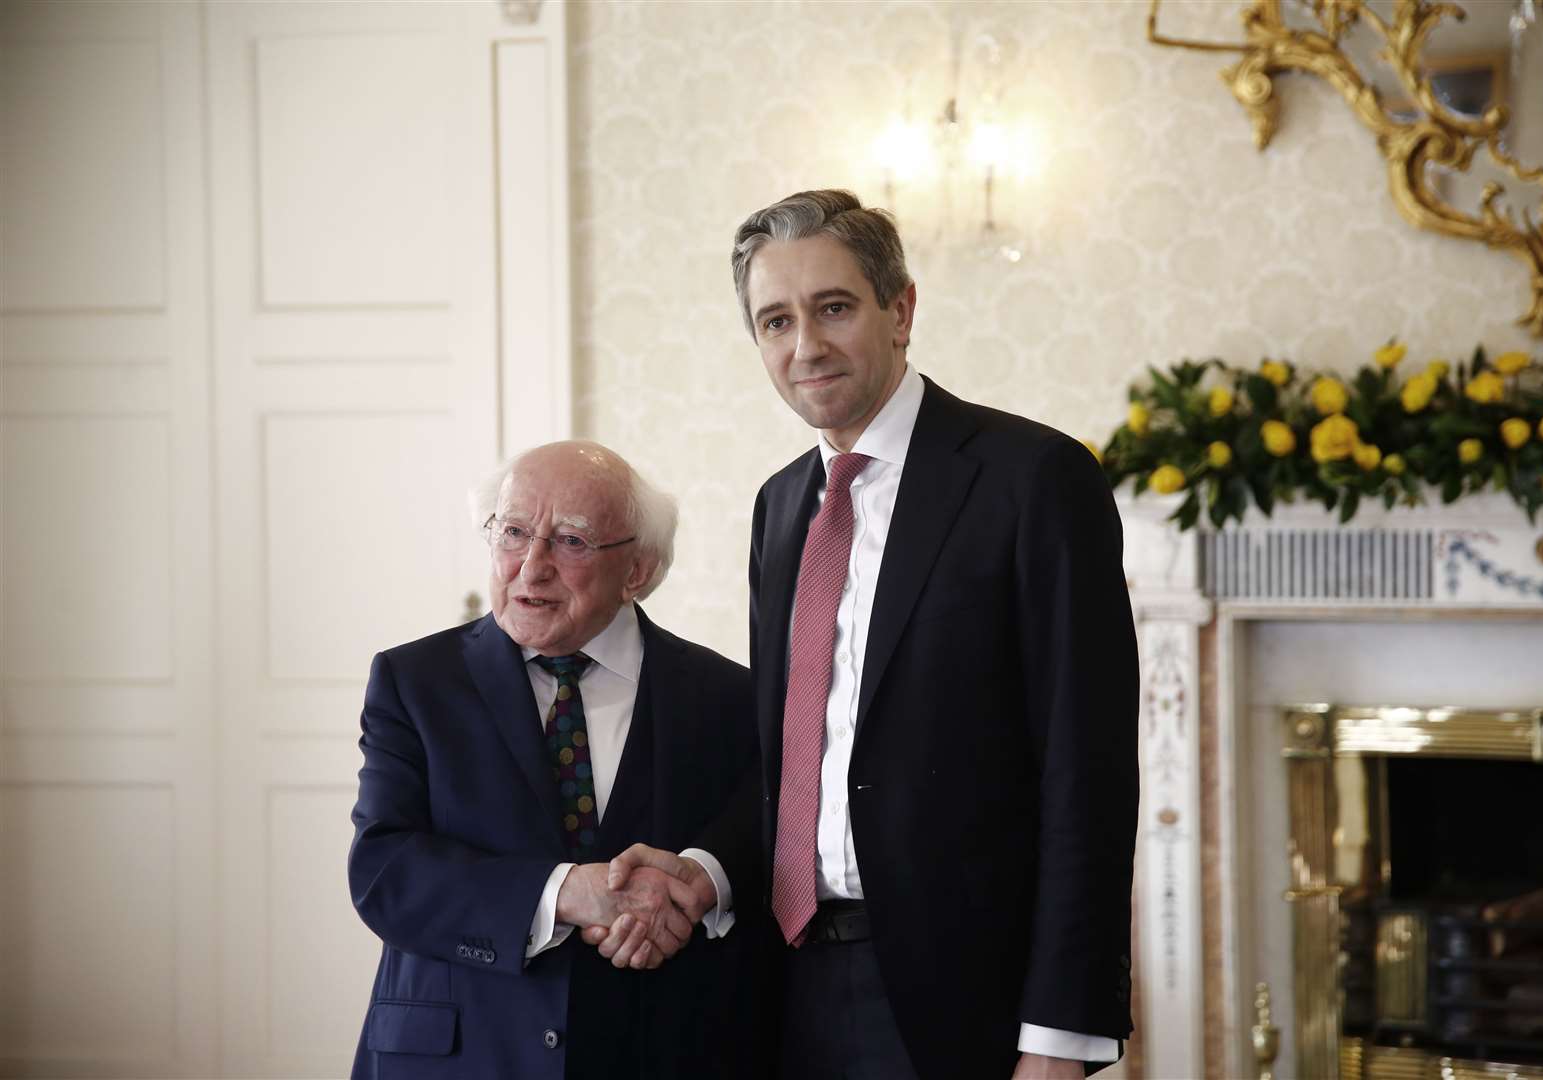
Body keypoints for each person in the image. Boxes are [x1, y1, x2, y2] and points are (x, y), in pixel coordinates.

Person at [602, 189, 1140, 1079]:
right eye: (775, 321)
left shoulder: (1033, 479)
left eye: (834, 308)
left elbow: (1088, 774)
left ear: (902, 310)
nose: (805, 346)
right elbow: (799, 761)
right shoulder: (780, 507)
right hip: (789, 989)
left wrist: (1060, 1035)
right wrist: (706, 870)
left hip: (965, 1002)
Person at [347, 441, 762, 1080]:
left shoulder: (729, 696)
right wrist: (567, 892)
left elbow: (768, 833)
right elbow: (385, 871)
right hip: (458, 1054)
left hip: (658, 1048)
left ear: (638, 570)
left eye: (571, 541)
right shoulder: (414, 680)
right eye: (513, 532)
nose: (530, 567)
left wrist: (694, 884)